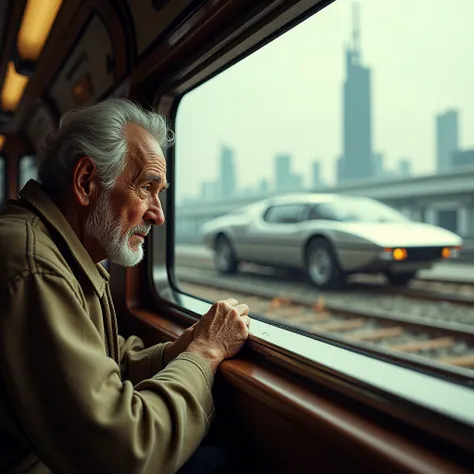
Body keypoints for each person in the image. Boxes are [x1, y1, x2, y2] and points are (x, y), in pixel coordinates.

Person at [0, 98, 250, 474]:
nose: (159, 214)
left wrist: (175, 354)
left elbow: (105, 363)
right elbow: (125, 452)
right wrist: (206, 353)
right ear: (86, 181)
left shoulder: (60, 252)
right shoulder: (35, 265)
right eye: (146, 187)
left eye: (160, 192)